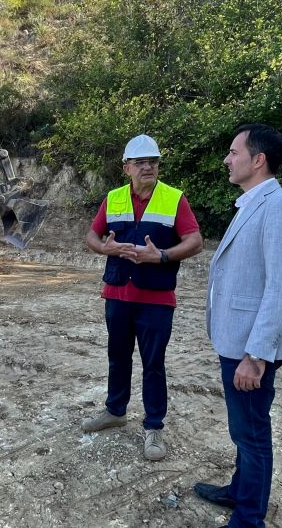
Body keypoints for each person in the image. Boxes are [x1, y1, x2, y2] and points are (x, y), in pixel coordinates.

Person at [194, 124, 282, 527]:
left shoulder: (281, 207)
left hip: (250, 349)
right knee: (243, 429)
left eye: (233, 151)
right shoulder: (253, 203)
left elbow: (281, 287)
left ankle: (248, 518)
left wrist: (256, 355)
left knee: (252, 433)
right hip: (236, 341)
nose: (227, 159)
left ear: (257, 160)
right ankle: (240, 491)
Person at [82, 134, 203, 460]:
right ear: (127, 168)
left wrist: (162, 256)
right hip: (118, 293)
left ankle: (153, 426)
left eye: (153, 161)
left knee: (153, 364)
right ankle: (115, 410)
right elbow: (92, 235)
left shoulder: (174, 199)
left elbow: (194, 241)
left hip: (156, 298)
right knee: (117, 357)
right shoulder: (114, 198)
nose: (148, 166)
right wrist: (103, 247)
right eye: (140, 162)